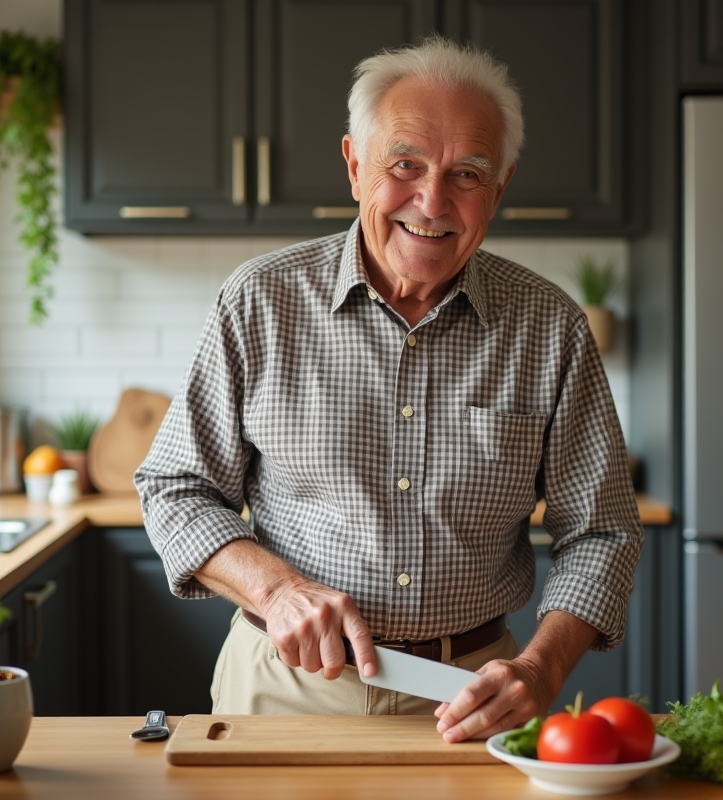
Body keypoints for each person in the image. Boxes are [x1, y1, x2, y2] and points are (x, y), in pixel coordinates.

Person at [135, 34, 642, 743]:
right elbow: (175, 487)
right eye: (405, 165)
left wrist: (541, 669)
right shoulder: (259, 301)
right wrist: (277, 590)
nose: (432, 201)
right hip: (283, 688)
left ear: (499, 189)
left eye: (467, 174)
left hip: (473, 698)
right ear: (354, 165)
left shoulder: (550, 326)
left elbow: (603, 533)